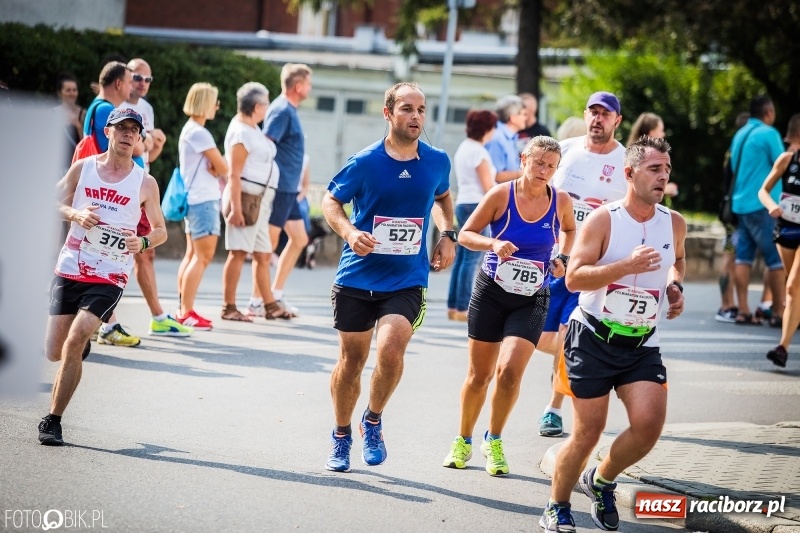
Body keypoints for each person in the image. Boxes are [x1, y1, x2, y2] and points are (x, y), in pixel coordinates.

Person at [540, 136, 686, 532]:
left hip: (641, 342)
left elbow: (678, 261)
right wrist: (624, 266)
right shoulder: (605, 219)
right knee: (587, 433)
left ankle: (600, 480)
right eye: (655, 169)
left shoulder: (674, 223)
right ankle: (557, 504)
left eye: (667, 170)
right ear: (629, 173)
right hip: (593, 337)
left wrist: (675, 287)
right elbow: (573, 278)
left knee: (648, 426)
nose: (663, 176)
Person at [322, 82, 455, 472]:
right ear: (388, 113)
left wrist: (448, 234)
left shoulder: (436, 161)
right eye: (407, 109)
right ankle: (342, 433)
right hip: (357, 276)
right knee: (352, 360)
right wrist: (348, 232)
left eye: (421, 109)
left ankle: (374, 419)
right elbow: (330, 200)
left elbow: (443, 197)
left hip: (406, 279)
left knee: (392, 348)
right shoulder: (364, 163)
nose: (415, 117)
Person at [443, 136, 575, 476]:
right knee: (479, 375)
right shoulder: (502, 195)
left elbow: (571, 230)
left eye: (551, 166)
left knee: (510, 372)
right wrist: (493, 242)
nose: (544, 170)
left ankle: (495, 440)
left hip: (532, 295)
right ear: (524, 159)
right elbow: (466, 233)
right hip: (492, 291)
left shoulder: (559, 200)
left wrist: (562, 256)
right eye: (539, 162)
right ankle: (463, 439)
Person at [39, 107, 167, 445]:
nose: (127, 134)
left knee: (78, 335)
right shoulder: (84, 168)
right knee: (55, 350)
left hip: (111, 271)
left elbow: (160, 231)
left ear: (139, 139)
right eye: (121, 127)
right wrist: (74, 213)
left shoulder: (146, 182)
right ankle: (74, 353)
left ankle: (53, 420)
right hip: (71, 265)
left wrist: (140, 241)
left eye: (133, 130)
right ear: (108, 131)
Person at [537, 92, 627, 438]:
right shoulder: (565, 151)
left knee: (566, 334)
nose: (597, 119)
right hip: (552, 259)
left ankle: (553, 408)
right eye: (593, 112)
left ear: (617, 120)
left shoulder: (624, 163)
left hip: (591, 266)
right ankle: (573, 373)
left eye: (606, 114)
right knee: (540, 337)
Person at [119, 57, 191, 337]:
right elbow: (135, 148)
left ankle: (157, 316)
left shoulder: (146, 108)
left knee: (146, 252)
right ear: (125, 78)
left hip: (141, 184)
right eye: (137, 77)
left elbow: (146, 154)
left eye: (148, 79)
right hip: (121, 186)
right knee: (120, 252)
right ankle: (107, 321)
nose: (143, 83)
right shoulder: (119, 106)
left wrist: (154, 144)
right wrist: (149, 141)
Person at [80, 62, 142, 348]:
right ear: (118, 83)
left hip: (112, 193)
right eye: (131, 81)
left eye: (134, 130)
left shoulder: (97, 106)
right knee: (101, 257)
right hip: (106, 193)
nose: (133, 87)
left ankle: (98, 325)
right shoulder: (105, 109)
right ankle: (108, 325)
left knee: (100, 257)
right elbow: (140, 148)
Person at [220, 82, 291, 321]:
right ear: (258, 106)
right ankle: (229, 307)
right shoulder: (241, 132)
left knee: (262, 253)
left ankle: (269, 305)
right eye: (266, 103)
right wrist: (236, 209)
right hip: (247, 198)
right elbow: (234, 173)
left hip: (260, 199)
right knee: (238, 252)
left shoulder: (252, 128)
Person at [246, 63, 312, 318]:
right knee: (267, 245)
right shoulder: (282, 110)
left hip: (289, 190)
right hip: (278, 188)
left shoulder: (290, 110)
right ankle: (255, 301)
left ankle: (275, 294)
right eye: (308, 83)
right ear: (298, 86)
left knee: (300, 239)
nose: (310, 88)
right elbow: (265, 145)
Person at [173, 83, 228, 329]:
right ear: (206, 103)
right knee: (203, 257)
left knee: (192, 255)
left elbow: (218, 165)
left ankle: (183, 309)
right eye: (214, 101)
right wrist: (218, 166)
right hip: (203, 200)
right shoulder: (200, 132)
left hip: (194, 199)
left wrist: (216, 166)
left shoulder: (190, 130)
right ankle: (187, 311)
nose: (217, 106)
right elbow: (224, 167)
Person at [730, 95, 786, 326]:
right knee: (776, 259)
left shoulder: (740, 134)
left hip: (740, 205)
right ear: (769, 112)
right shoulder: (769, 134)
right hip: (764, 206)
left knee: (743, 257)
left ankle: (743, 309)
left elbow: (734, 167)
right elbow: (782, 164)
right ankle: (779, 313)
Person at [447, 109, 498, 321]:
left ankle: (454, 306)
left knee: (463, 259)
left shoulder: (464, 147)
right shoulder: (479, 152)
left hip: (463, 202)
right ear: (487, 129)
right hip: (477, 204)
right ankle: (464, 308)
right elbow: (488, 186)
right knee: (472, 259)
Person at [758, 113, 800, 367]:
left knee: (792, 286)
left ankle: (782, 347)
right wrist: (772, 205)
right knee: (793, 288)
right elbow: (763, 190)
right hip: (785, 230)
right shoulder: (787, 160)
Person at [715, 111, 751, 323]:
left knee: (731, 254)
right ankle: (726, 305)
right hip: (734, 213)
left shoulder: (732, 150)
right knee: (730, 256)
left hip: (729, 210)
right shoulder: (741, 152)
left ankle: (729, 304)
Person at [485, 95, 527, 183]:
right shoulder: (497, 138)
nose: (525, 118)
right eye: (523, 114)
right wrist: (525, 173)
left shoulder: (509, 138)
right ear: (513, 117)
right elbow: (496, 176)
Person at [55, 73, 86, 170]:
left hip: (76, 164)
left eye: (74, 90)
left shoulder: (83, 114)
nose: (72, 93)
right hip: (57, 163)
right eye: (68, 90)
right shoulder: (52, 114)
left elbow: (86, 143)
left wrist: (78, 127)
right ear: (60, 93)